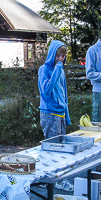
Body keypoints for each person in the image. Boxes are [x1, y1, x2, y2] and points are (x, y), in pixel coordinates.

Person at [38, 40, 73, 191]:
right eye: (58, 55)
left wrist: (67, 114)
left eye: (63, 56)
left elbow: (64, 93)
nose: (60, 59)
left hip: (60, 113)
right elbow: (46, 90)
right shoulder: (44, 69)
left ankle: (59, 178)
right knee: (52, 149)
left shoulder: (61, 70)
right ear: (52, 54)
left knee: (61, 148)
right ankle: (51, 179)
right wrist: (57, 70)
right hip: (49, 114)